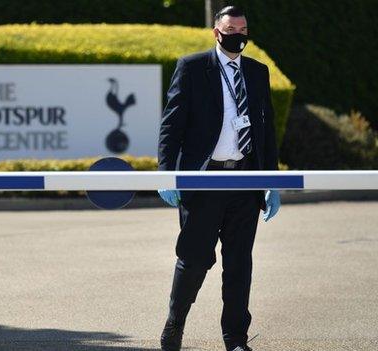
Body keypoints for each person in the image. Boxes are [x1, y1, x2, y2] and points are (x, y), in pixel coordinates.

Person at [156, 5, 281, 351]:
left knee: (239, 264)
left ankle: (236, 340)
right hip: (205, 182)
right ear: (216, 32)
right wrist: (168, 174)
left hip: (244, 182)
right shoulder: (193, 68)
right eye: (231, 29)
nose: (237, 35)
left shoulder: (258, 72)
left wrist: (271, 182)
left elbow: (265, 131)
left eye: (243, 29)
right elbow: (172, 127)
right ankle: (174, 324)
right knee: (195, 259)